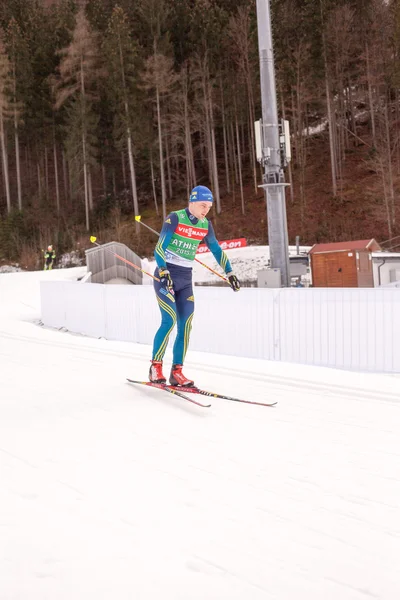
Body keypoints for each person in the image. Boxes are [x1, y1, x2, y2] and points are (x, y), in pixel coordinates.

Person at [150, 185, 240, 387]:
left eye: (209, 206)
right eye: (202, 205)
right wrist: (163, 270)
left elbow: (216, 249)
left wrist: (230, 272)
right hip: (166, 275)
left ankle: (177, 372)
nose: (206, 210)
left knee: (186, 325)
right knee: (169, 320)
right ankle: (155, 367)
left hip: (185, 278)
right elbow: (159, 248)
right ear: (191, 202)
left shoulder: (205, 225)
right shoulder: (175, 218)